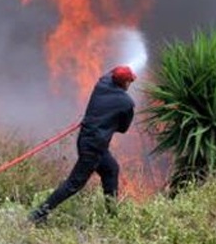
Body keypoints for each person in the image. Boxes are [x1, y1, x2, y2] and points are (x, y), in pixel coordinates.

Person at [29, 65, 137, 224]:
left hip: (87, 140)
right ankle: (38, 214)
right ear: (125, 83)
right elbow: (123, 129)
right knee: (74, 183)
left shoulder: (102, 84)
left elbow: (111, 72)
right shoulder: (126, 103)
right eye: (130, 81)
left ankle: (112, 215)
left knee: (111, 169)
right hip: (94, 147)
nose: (131, 84)